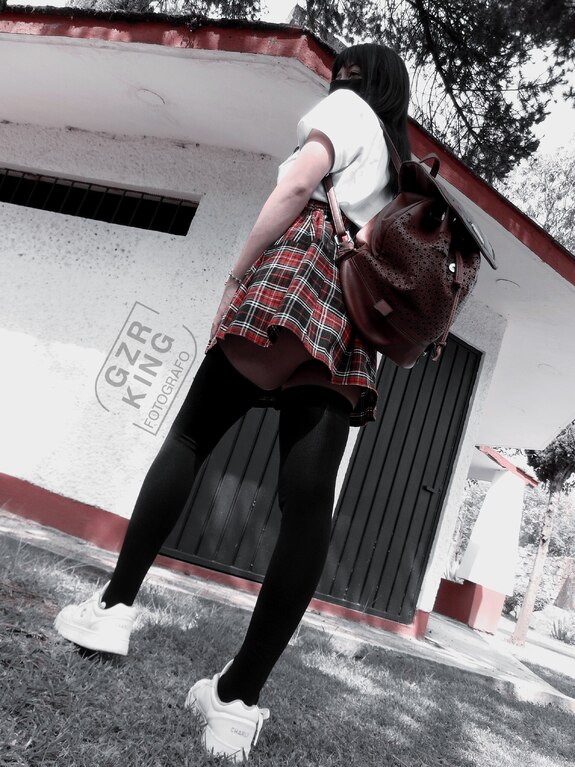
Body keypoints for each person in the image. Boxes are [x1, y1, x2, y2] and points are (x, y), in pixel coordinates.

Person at [54, 42, 411, 763]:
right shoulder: (397, 167)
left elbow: (296, 186)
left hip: (299, 275)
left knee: (190, 437)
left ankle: (113, 609)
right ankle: (236, 701)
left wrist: (237, 272)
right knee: (308, 506)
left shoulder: (346, 111)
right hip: (349, 315)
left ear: (352, 80)